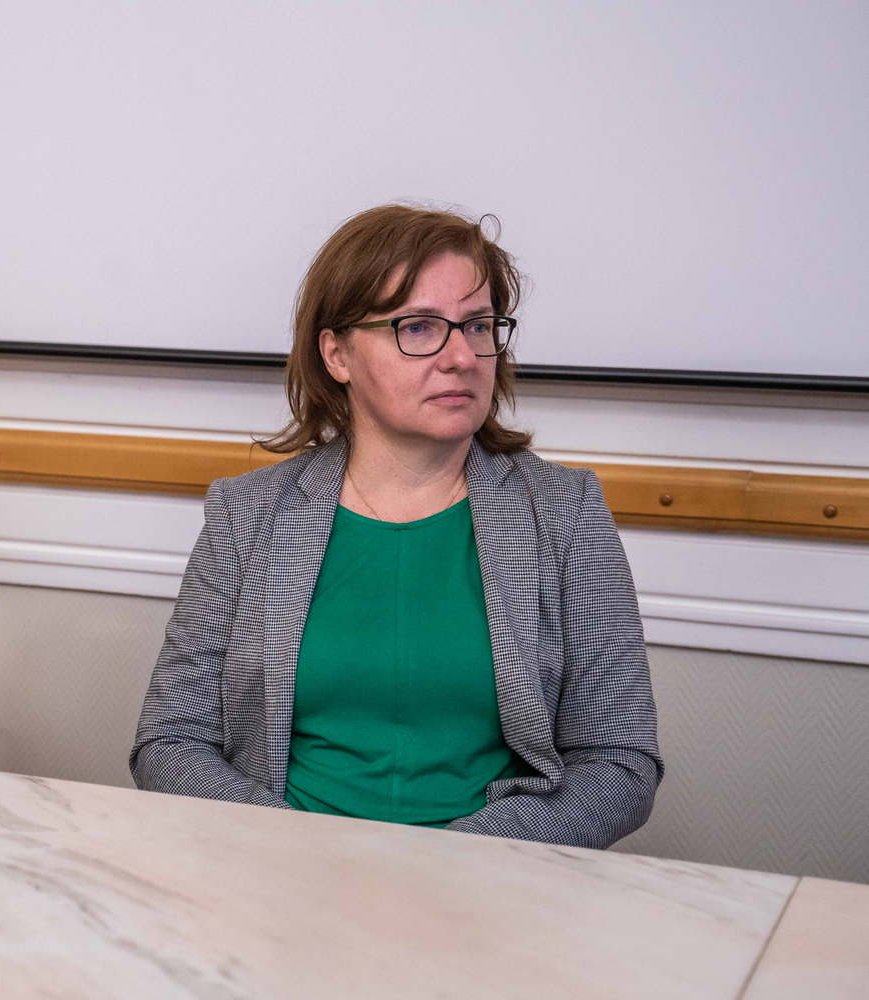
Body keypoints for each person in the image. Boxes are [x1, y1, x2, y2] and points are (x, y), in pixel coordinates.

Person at [130, 205, 661, 848]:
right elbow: (171, 741)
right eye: (418, 327)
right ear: (337, 354)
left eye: (478, 326)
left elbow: (618, 761)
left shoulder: (564, 512)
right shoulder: (248, 514)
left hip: (491, 873)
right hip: (281, 866)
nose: (462, 356)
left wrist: (463, 857)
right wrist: (287, 845)